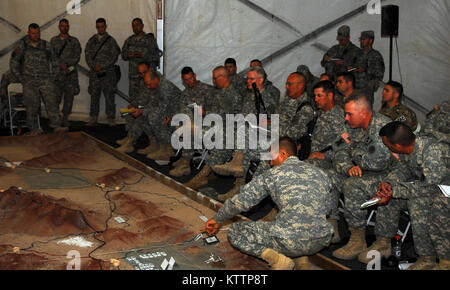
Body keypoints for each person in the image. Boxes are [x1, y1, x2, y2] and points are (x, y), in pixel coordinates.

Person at [204, 137, 333, 270]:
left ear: (283, 154)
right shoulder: (320, 174)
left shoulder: (273, 174)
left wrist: (218, 218)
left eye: (272, 157)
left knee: (235, 231)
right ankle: (301, 259)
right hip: (320, 240)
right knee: (284, 222)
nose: (271, 162)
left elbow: (241, 202)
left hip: (289, 241)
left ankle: (278, 260)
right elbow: (327, 209)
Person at [332, 93, 400, 260]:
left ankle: (358, 240)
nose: (346, 118)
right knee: (329, 176)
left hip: (388, 175)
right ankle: (331, 224)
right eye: (345, 114)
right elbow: (337, 151)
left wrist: (353, 153)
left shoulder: (382, 127)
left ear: (363, 113)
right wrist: (348, 167)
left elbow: (377, 163)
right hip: (363, 172)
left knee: (352, 185)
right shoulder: (353, 125)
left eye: (350, 114)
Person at [376, 121, 449, 270]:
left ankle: (428, 258)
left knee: (417, 204)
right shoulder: (409, 147)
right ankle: (383, 243)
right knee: (391, 200)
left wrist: (395, 191)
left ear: (396, 146)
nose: (385, 147)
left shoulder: (433, 150)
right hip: (428, 189)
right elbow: (403, 169)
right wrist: (389, 183)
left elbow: (431, 187)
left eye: (386, 144)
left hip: (443, 193)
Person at [213, 66, 280, 201]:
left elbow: (271, 122)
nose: (247, 81)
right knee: (225, 134)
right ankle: (231, 174)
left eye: (251, 79)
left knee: (245, 140)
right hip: (247, 134)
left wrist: (253, 123)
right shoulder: (249, 96)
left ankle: (237, 164)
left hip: (263, 137)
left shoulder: (266, 98)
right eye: (247, 78)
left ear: (260, 80)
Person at [183, 66, 243, 190]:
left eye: (215, 78)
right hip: (219, 125)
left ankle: (202, 175)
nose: (214, 81)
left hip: (228, 128)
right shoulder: (221, 92)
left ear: (223, 77)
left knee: (207, 135)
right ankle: (201, 170)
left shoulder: (231, 94)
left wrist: (205, 113)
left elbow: (222, 116)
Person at [307, 80, 346, 243]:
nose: (316, 99)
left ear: (330, 96)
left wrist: (327, 155)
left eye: (319, 95)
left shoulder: (338, 116)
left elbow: (345, 141)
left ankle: (332, 223)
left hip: (334, 161)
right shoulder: (321, 113)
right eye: (315, 95)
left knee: (317, 171)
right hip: (316, 156)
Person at [10, 23, 67, 135]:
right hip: (29, 81)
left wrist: (53, 77)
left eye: (37, 33)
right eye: (33, 33)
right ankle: (34, 129)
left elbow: (55, 61)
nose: (36, 35)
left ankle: (56, 126)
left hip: (45, 80)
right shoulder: (23, 46)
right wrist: (20, 78)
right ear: (28, 33)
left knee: (52, 104)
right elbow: (14, 62)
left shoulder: (46, 45)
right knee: (31, 106)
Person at [169, 66, 215, 177]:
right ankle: (184, 158)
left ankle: (185, 163)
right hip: (191, 122)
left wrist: (205, 112)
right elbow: (181, 110)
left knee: (188, 128)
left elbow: (217, 109)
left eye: (190, 78)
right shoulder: (184, 93)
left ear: (195, 76)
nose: (189, 82)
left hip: (206, 122)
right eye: (186, 80)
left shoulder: (208, 90)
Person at [85, 18, 121, 126]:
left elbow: (114, 56)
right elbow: (87, 55)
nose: (100, 29)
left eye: (102, 26)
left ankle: (111, 117)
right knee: (94, 96)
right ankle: (93, 117)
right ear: (96, 27)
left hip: (108, 74)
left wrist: (102, 66)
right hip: (95, 74)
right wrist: (93, 66)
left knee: (109, 96)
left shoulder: (111, 41)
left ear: (106, 27)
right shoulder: (91, 40)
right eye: (98, 27)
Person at [140, 70, 182, 160]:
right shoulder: (156, 86)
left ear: (155, 79)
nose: (148, 86)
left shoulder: (165, 88)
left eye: (149, 84)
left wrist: (144, 111)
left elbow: (162, 109)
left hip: (178, 113)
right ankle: (154, 144)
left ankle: (167, 148)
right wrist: (142, 110)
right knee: (145, 115)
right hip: (168, 111)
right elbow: (153, 103)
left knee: (154, 117)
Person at [121, 18, 162, 105]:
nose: (135, 28)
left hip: (146, 77)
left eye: (137, 25)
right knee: (134, 99)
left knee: (149, 98)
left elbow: (156, 56)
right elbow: (123, 55)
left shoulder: (149, 40)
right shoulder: (129, 40)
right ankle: (135, 117)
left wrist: (143, 56)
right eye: (133, 26)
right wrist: (129, 55)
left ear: (142, 26)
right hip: (134, 76)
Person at [115, 62, 153, 153]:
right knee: (128, 112)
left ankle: (130, 143)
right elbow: (141, 97)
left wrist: (142, 109)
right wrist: (134, 104)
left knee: (140, 117)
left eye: (144, 72)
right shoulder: (142, 81)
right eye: (140, 73)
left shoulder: (155, 81)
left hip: (155, 110)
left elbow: (154, 102)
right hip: (145, 107)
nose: (142, 75)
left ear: (150, 70)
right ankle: (129, 136)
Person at [50, 18, 82, 127]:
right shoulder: (53, 41)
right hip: (57, 75)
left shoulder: (74, 41)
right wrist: (60, 64)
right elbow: (51, 56)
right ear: (59, 27)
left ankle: (65, 118)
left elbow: (77, 57)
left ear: (69, 27)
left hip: (70, 74)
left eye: (66, 26)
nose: (65, 28)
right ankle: (55, 118)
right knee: (55, 98)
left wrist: (67, 64)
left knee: (69, 98)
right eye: (63, 26)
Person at [355, 31, 385, 98]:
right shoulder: (357, 54)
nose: (361, 41)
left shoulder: (376, 55)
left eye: (364, 39)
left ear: (371, 40)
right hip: (354, 89)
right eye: (361, 40)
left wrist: (365, 70)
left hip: (366, 91)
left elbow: (379, 74)